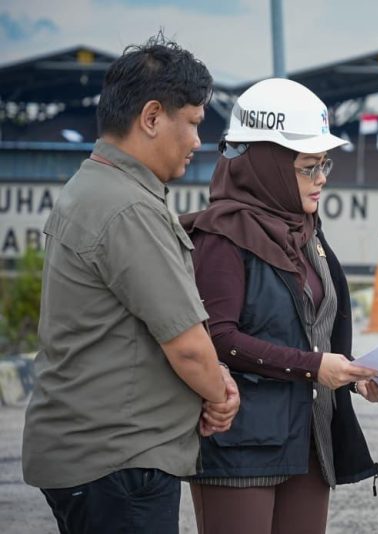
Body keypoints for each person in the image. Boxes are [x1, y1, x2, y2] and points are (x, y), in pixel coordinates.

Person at [21, 34, 240, 534]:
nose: (197, 141)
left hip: (92, 455)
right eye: (193, 123)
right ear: (152, 117)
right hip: (120, 460)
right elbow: (187, 347)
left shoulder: (93, 186)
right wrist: (220, 392)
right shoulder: (128, 207)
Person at [180, 77, 378, 534]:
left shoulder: (304, 231)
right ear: (267, 167)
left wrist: (351, 375)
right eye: (309, 167)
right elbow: (217, 338)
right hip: (242, 446)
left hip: (309, 437)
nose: (322, 178)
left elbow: (309, 329)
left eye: (324, 164)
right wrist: (314, 367)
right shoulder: (221, 235)